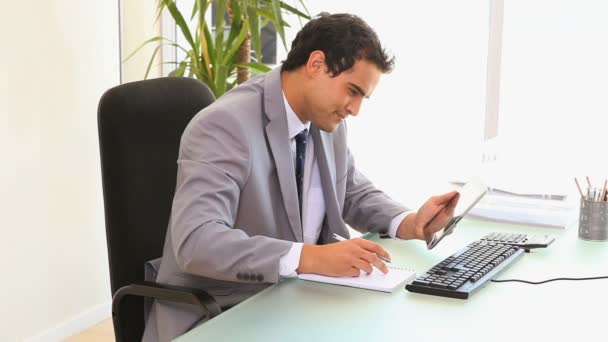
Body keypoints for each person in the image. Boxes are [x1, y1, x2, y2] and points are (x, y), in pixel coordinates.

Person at [143, 12, 459, 342]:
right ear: (316, 65)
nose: (355, 109)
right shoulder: (225, 125)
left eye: (362, 97)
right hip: (220, 312)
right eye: (352, 91)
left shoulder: (325, 120)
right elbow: (197, 242)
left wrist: (409, 222)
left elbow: (350, 189)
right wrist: (310, 257)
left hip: (295, 301)